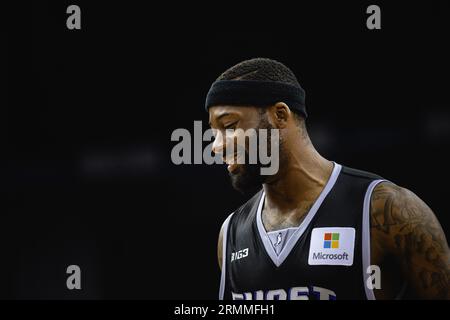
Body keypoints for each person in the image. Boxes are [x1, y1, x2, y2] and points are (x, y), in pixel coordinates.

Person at [205, 58, 450, 300]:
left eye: (229, 126)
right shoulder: (231, 234)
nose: (216, 147)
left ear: (279, 115)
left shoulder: (386, 210)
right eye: (214, 133)